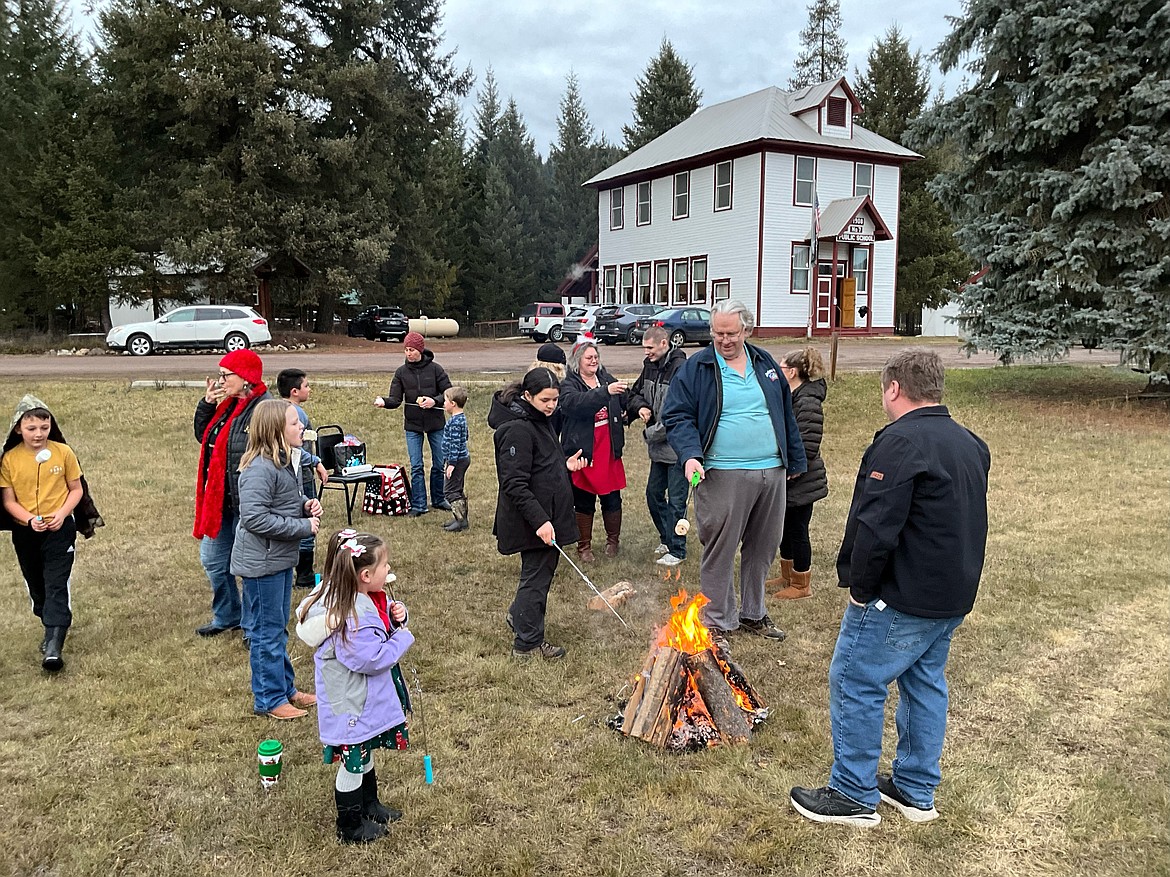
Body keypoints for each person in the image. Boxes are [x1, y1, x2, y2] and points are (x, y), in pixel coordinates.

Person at [790, 349, 991, 827]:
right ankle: (915, 788)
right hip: (952, 594)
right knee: (924, 682)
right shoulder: (970, 442)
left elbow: (877, 524)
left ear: (894, 388)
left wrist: (861, 587)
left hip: (902, 595)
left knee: (856, 680)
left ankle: (854, 793)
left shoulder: (900, 443)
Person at [661, 299, 807, 650]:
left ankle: (754, 613)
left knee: (764, 546)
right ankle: (717, 620)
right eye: (717, 333)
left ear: (747, 330)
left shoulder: (765, 362)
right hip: (721, 471)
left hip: (770, 470)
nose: (724, 340)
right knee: (721, 547)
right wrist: (691, 455)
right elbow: (677, 416)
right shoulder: (697, 367)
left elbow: (785, 413)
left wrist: (794, 461)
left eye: (731, 333)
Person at [296, 531, 414, 844]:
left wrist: (393, 612)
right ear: (364, 575)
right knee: (354, 760)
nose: (389, 571)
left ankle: (369, 804)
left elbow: (379, 614)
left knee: (364, 749)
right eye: (384, 567)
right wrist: (403, 636)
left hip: (360, 700)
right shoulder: (352, 615)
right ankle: (349, 825)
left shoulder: (356, 595)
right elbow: (371, 658)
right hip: (352, 703)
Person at [231, 399, 322, 720]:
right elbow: (254, 517)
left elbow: (283, 500)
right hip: (262, 564)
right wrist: (302, 526)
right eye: (295, 423)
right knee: (265, 632)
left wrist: (304, 505)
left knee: (276, 629)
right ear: (275, 431)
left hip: (279, 559)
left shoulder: (280, 463)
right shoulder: (259, 468)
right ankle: (269, 699)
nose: (302, 428)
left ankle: (286, 689)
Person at [489, 368, 586, 659]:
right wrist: (541, 521)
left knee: (539, 575)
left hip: (548, 514)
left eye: (555, 400)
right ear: (527, 395)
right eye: (546, 400)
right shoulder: (517, 428)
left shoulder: (537, 419)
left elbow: (541, 464)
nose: (551, 406)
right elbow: (514, 483)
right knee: (536, 578)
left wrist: (563, 467)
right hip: (531, 520)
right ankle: (528, 644)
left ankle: (520, 618)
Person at [0, 395, 85, 671]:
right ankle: (48, 624)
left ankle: (53, 645)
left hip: (60, 531)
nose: (39, 434)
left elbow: (76, 489)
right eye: (31, 428)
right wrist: (29, 519)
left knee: (56, 583)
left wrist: (61, 515)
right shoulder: (10, 460)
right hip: (26, 533)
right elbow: (8, 500)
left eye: (44, 428)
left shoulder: (63, 453)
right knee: (37, 585)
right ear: (18, 429)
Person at [193, 348, 270, 638]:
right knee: (213, 560)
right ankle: (227, 615)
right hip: (220, 502)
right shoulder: (227, 407)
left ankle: (253, 626)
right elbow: (205, 439)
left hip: (248, 502)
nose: (221, 381)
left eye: (227, 375)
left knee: (249, 566)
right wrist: (206, 405)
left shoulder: (263, 407)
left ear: (246, 377)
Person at [765, 348, 829, 599]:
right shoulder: (792, 395)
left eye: (781, 368)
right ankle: (788, 574)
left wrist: (792, 468)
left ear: (792, 372)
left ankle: (802, 584)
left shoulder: (808, 400)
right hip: (789, 477)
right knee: (785, 527)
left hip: (803, 479)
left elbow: (808, 443)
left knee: (798, 530)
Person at [558, 335, 628, 561]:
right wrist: (605, 393)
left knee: (612, 498)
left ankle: (613, 541)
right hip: (584, 449)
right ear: (578, 360)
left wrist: (638, 407)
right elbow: (575, 404)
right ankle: (584, 546)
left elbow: (626, 399)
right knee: (584, 499)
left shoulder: (606, 378)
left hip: (608, 448)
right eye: (588, 357)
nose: (593, 361)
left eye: (596, 357)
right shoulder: (569, 384)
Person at [626, 326, 688, 567]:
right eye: (644, 347)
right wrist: (640, 406)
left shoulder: (681, 370)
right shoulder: (649, 365)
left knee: (676, 501)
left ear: (665, 344)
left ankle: (678, 550)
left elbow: (678, 415)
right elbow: (634, 393)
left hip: (678, 449)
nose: (646, 352)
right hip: (658, 450)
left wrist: (650, 433)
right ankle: (667, 537)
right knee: (653, 495)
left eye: (650, 348)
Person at [374, 331, 452, 517]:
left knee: (438, 463)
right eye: (406, 350)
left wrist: (435, 401)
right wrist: (384, 402)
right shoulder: (401, 373)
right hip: (413, 426)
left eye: (412, 350)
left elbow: (449, 393)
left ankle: (439, 499)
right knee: (416, 465)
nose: (409, 353)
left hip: (435, 424)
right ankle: (418, 505)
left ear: (420, 350)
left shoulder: (436, 369)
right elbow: (395, 399)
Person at [277, 368, 330, 587]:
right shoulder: (297, 414)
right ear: (294, 391)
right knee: (309, 518)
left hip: (296, 474)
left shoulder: (277, 410)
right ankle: (305, 573)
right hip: (302, 476)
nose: (310, 389)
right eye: (306, 386)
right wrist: (316, 461)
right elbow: (296, 450)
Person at [440, 386, 471, 532]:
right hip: (461, 459)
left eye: (445, 401)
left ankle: (460, 521)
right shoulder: (461, 418)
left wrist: (451, 463)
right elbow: (465, 437)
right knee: (457, 489)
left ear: (453, 403)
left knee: (450, 491)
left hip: (457, 461)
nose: (443, 404)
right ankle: (460, 518)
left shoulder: (454, 422)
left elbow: (455, 444)